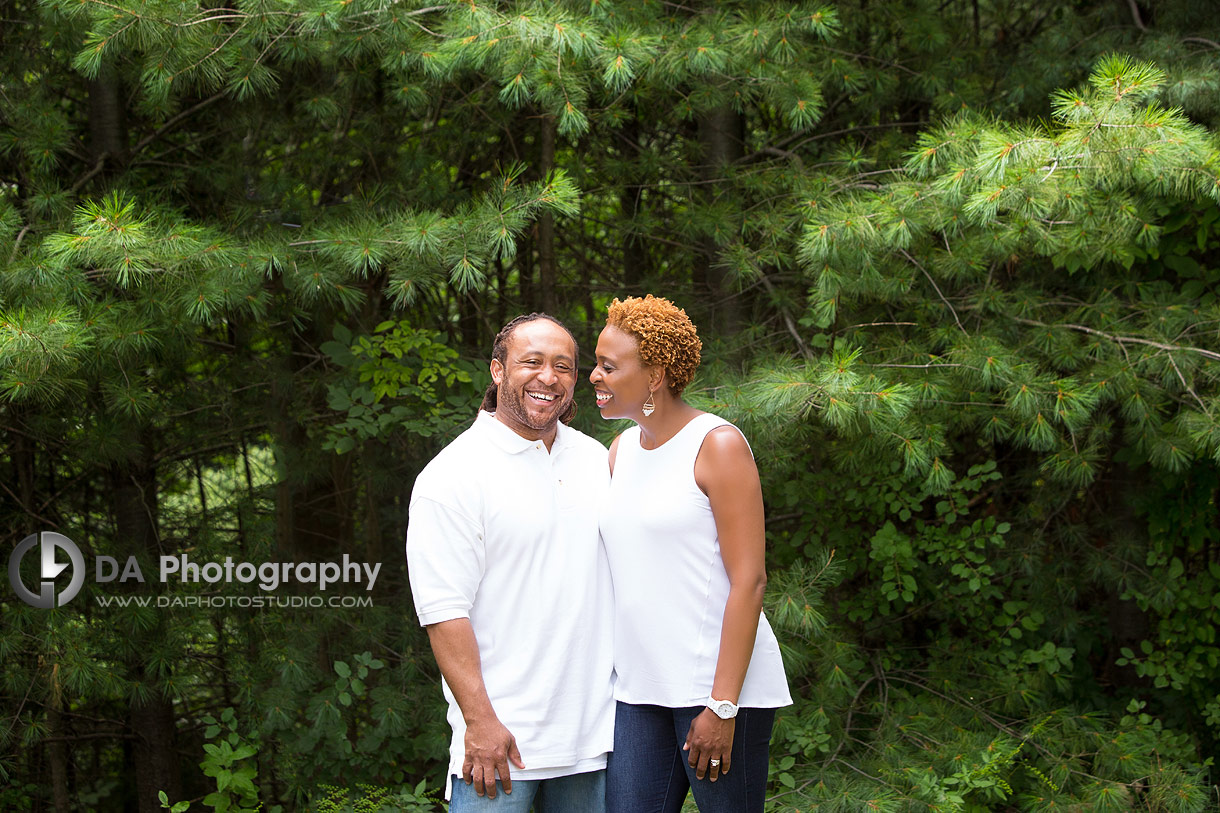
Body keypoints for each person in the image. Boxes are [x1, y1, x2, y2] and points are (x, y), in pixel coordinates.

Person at [406, 313, 615, 812]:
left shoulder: (595, 460)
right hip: (499, 749)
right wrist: (479, 723)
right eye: (532, 362)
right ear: (498, 371)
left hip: (595, 742)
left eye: (563, 366)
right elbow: (444, 612)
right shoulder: (452, 476)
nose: (549, 377)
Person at [591, 295, 791, 813]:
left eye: (609, 366)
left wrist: (722, 704)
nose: (593, 375)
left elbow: (749, 580)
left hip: (717, 692)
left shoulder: (717, 445)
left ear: (654, 373)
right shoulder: (621, 451)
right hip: (638, 691)